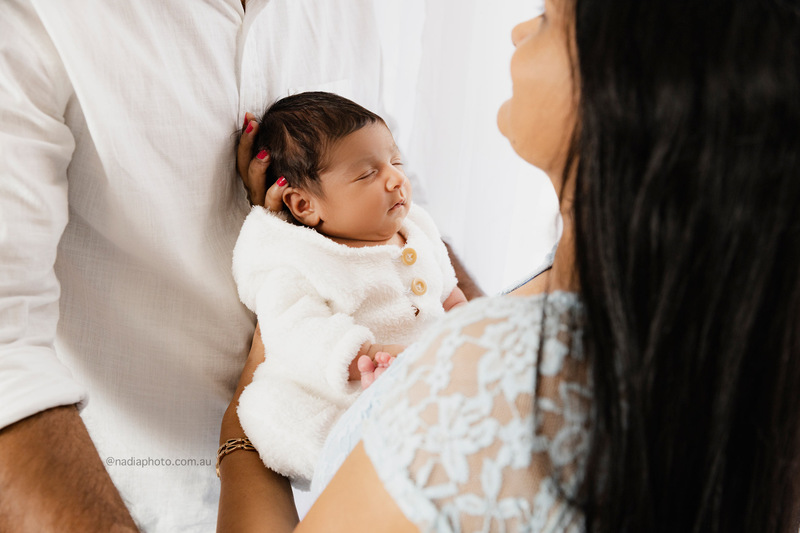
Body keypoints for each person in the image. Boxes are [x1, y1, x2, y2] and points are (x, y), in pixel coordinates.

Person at [219, 0, 800, 531]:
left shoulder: (493, 373)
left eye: (549, 19)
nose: (522, 28)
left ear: (633, 88)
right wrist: (314, 227)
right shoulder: (692, 329)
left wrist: (239, 439)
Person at [0, 1, 482, 531]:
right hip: (138, 502)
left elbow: (404, 224)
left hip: (383, 484)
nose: (395, 179)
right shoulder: (44, 17)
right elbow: (7, 358)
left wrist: (483, 354)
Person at [231, 92, 466, 488]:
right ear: (304, 205)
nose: (396, 178)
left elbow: (449, 295)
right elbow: (293, 329)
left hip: (426, 377)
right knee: (266, 411)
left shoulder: (417, 230)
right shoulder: (299, 259)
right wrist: (368, 354)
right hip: (347, 391)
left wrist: (468, 331)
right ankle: (369, 467)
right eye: (367, 174)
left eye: (395, 162)